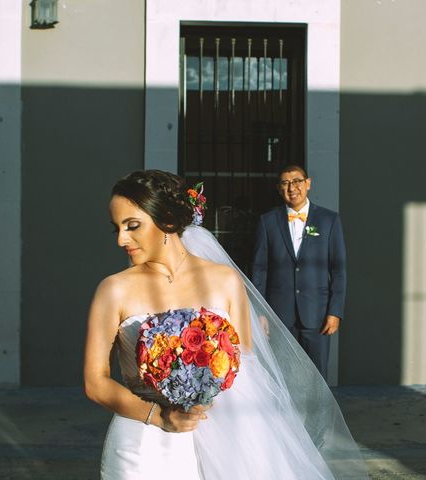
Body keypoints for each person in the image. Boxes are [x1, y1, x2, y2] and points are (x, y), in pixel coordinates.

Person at [84, 170, 367, 479]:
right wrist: (159, 416)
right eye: (117, 228)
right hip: (144, 440)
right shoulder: (114, 290)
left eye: (132, 226)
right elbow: (95, 382)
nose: (121, 239)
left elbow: (245, 368)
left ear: (166, 219)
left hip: (225, 435)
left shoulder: (225, 281)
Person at [251, 165, 346, 380]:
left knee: (317, 378)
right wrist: (260, 312)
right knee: (283, 377)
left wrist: (335, 311)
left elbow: (338, 270)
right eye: (285, 183)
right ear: (278, 188)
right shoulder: (267, 221)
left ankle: (317, 415)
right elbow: (259, 269)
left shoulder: (329, 220)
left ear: (308, 183)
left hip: (318, 315)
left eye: (296, 181)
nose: (291, 187)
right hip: (279, 315)